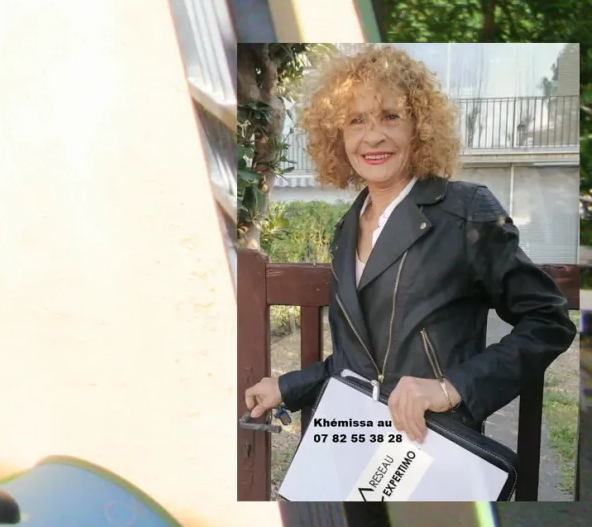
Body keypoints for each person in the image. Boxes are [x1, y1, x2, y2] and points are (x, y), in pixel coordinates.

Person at [242, 44, 574, 445]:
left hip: (434, 443)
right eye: (356, 120)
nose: (374, 136)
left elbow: (549, 322)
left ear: (419, 127)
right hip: (360, 438)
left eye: (391, 116)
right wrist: (288, 386)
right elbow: (361, 362)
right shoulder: (347, 227)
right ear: (338, 135)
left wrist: (451, 387)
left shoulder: (465, 210)